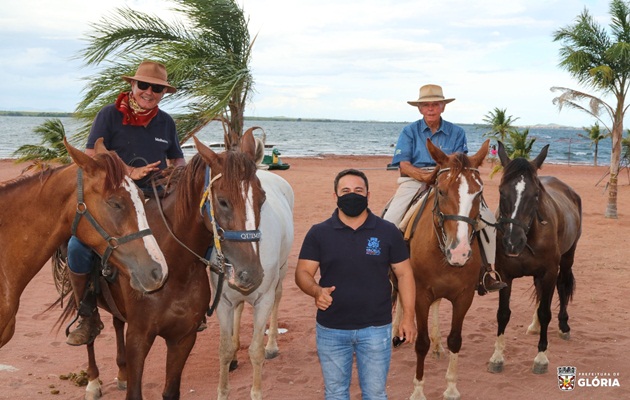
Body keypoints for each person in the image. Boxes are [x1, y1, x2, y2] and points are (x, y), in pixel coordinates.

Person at [65, 60, 186, 346]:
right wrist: (129, 173)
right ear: (132, 86)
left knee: (196, 230)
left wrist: (178, 172)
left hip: (156, 196)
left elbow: (178, 158)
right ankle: (87, 313)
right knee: (77, 246)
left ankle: (188, 304)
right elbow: (92, 158)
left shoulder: (166, 122)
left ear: (163, 92)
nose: (149, 92)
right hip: (114, 198)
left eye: (156, 88)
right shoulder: (108, 115)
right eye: (143, 85)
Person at [295, 169, 417, 400]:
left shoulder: (387, 231)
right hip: (331, 329)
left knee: (375, 394)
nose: (353, 195)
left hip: (376, 329)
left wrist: (408, 318)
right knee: (335, 393)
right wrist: (316, 290)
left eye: (358, 190)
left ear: (368, 194)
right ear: (335, 196)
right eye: (346, 191)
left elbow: (405, 275)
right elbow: (303, 272)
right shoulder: (319, 233)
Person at [382, 84, 506, 295]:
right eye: (426, 105)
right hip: (416, 178)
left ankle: (488, 272)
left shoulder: (457, 132)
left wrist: (444, 176)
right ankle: (385, 272)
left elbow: (462, 163)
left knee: (489, 221)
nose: (431, 109)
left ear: (442, 107)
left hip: (450, 180)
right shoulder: (409, 131)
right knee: (390, 221)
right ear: (420, 109)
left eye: (435, 104)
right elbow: (403, 164)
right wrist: (426, 177)